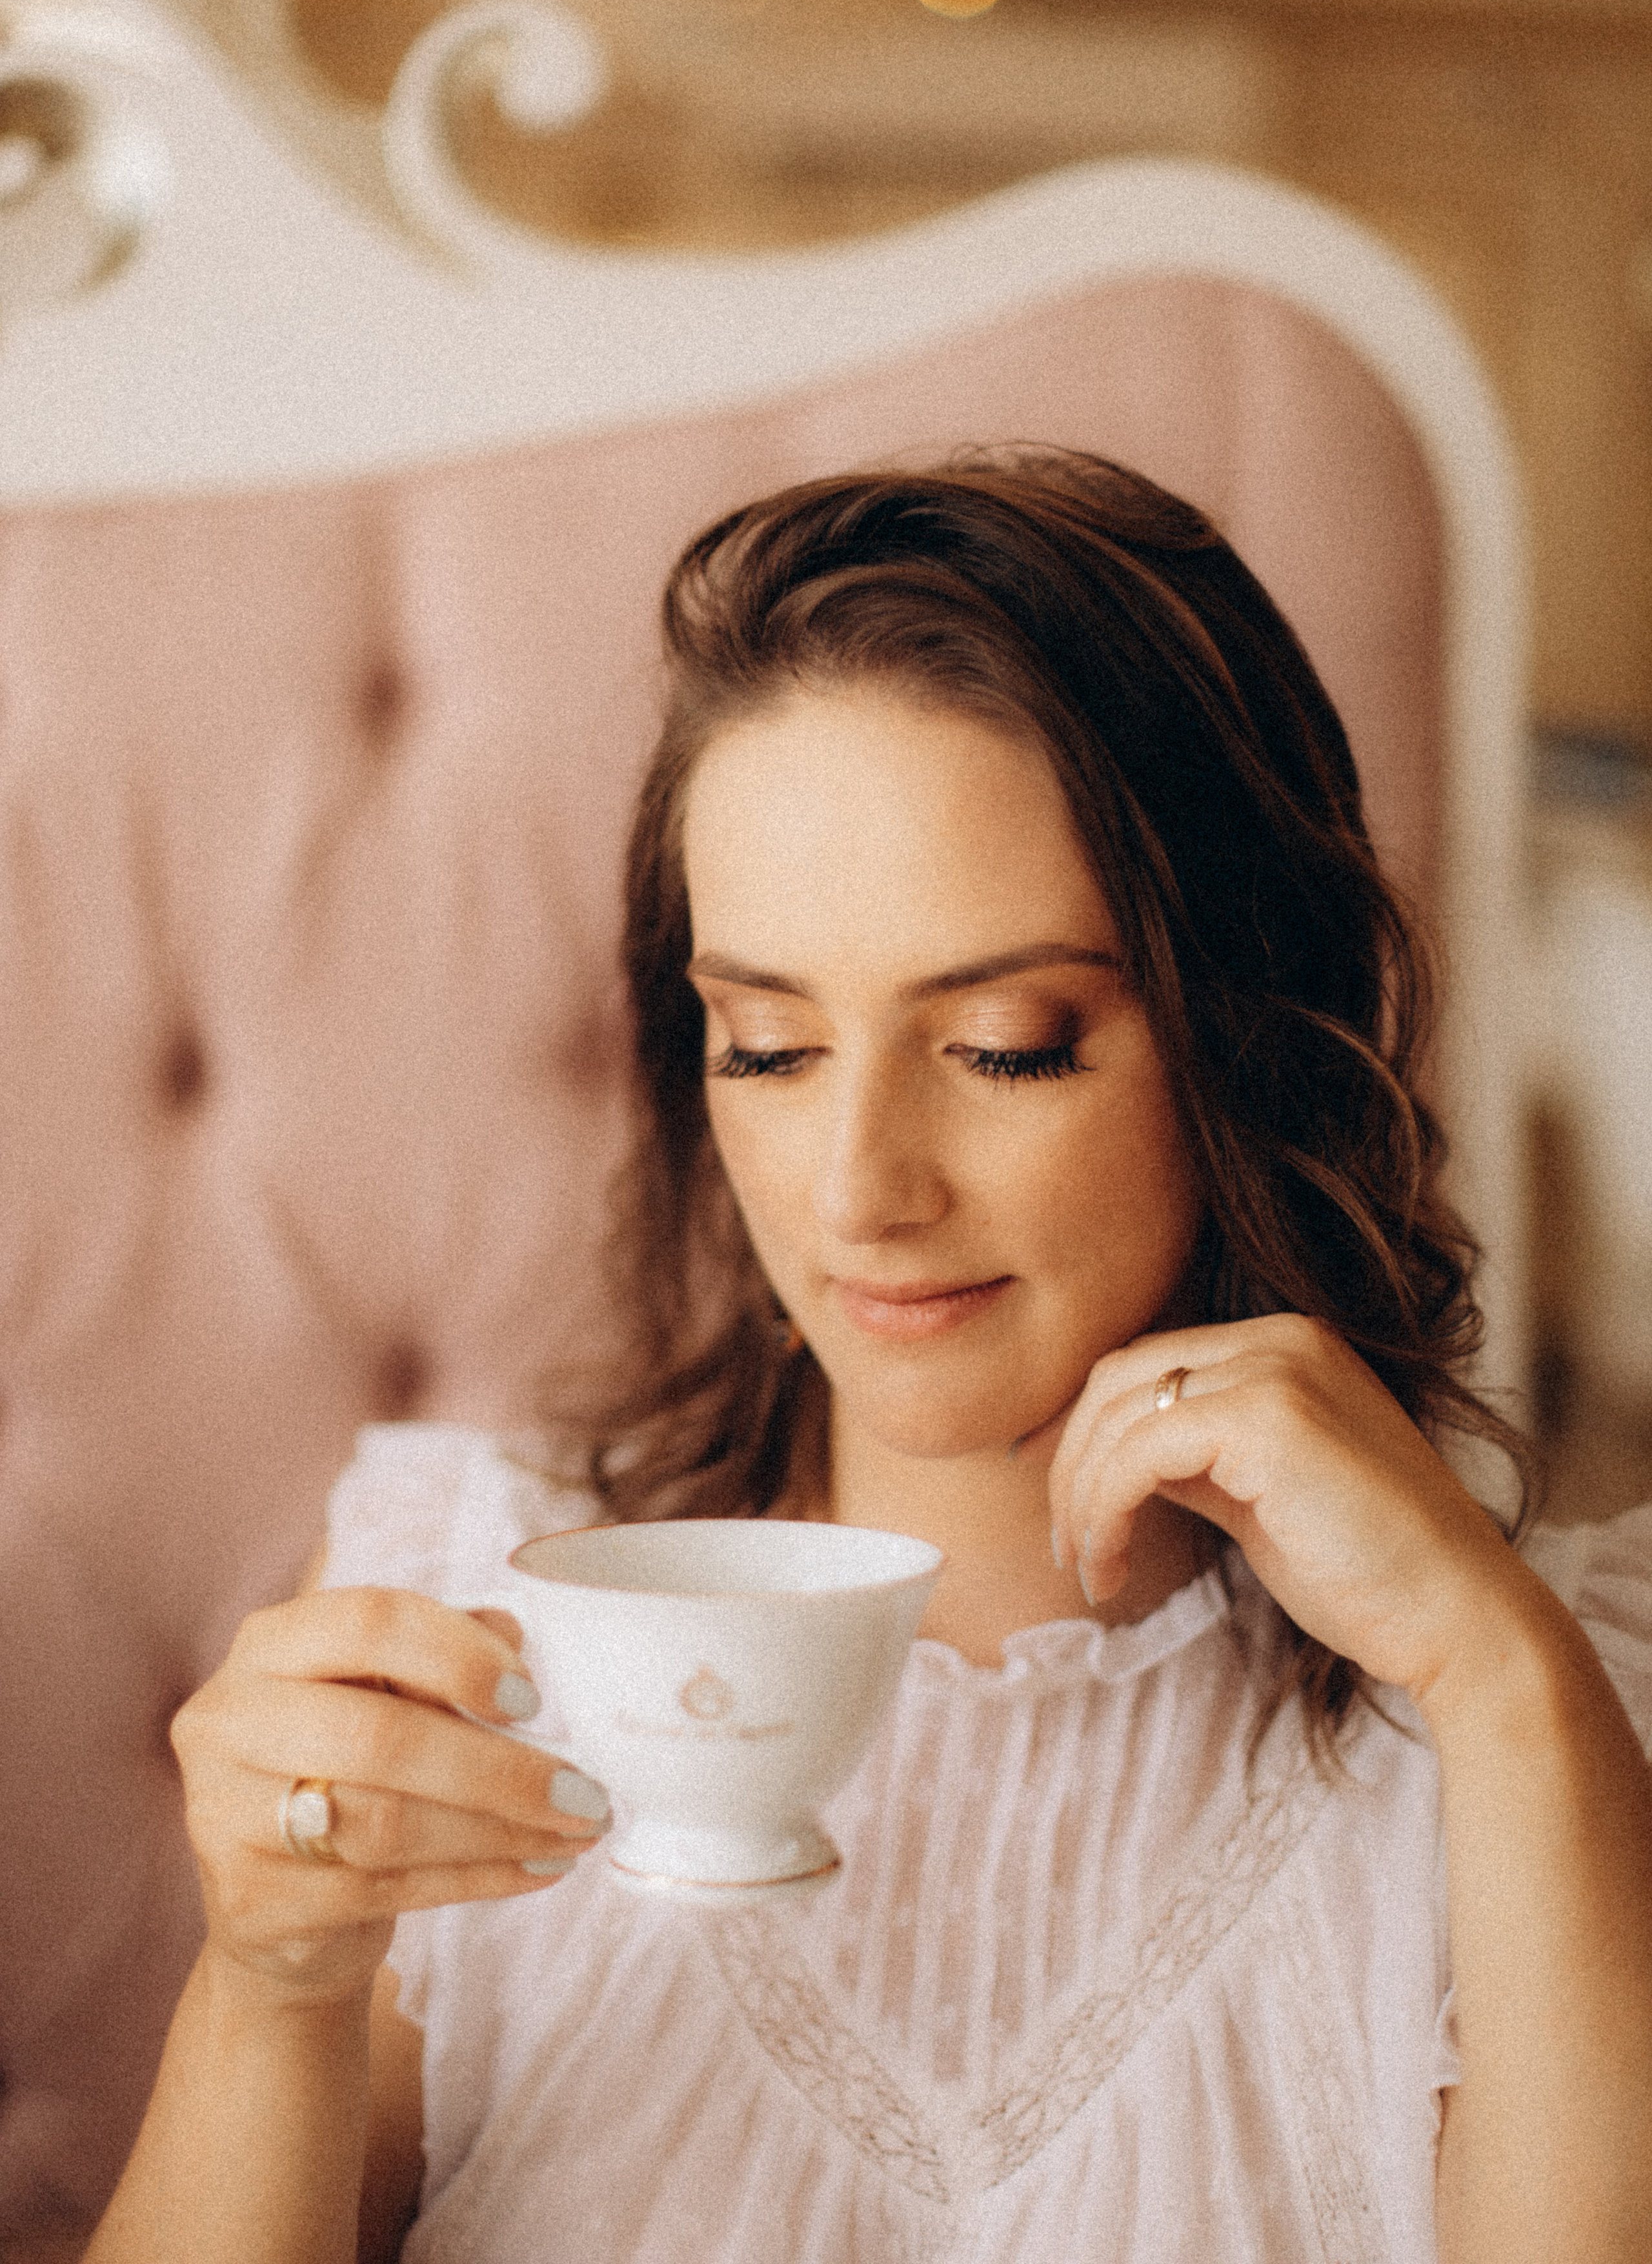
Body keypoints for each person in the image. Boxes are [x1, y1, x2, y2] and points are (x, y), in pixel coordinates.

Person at [88, 452, 1652, 2264]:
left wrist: (1496, 1671)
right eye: (767, 1048)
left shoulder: (1543, 1705)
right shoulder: (461, 1630)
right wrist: (271, 1981)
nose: (858, 1193)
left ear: (1253, 1039)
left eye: (1005, 1044)